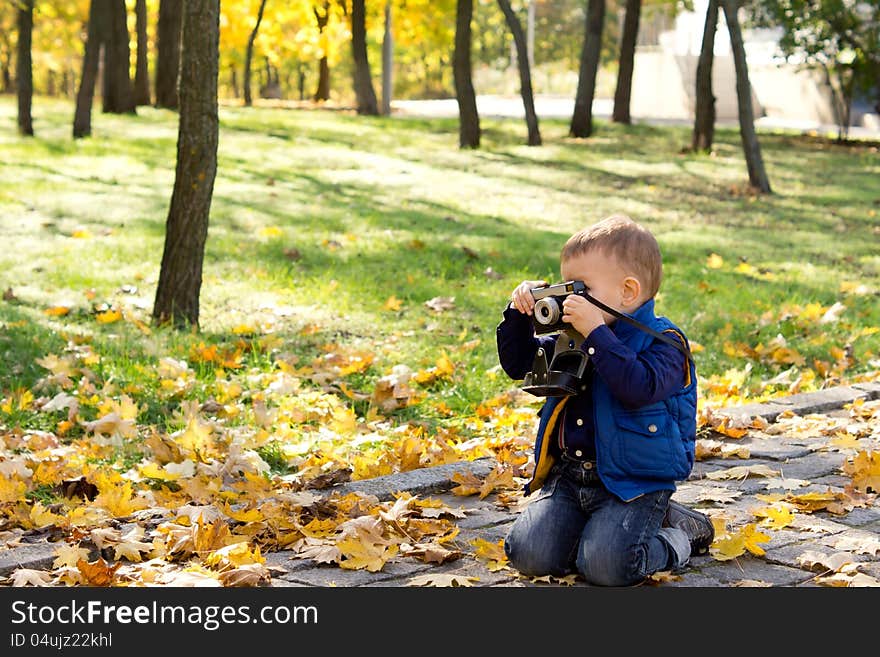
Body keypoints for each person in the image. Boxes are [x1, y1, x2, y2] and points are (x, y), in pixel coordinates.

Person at [497, 214, 713, 586]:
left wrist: (596, 332)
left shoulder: (665, 343)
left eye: (581, 289)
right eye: (567, 287)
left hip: (634, 484)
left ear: (628, 292)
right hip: (570, 479)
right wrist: (518, 316)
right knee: (528, 554)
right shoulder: (575, 336)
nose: (569, 300)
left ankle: (676, 535)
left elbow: (637, 387)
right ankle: (596, 533)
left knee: (608, 568)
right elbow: (519, 366)